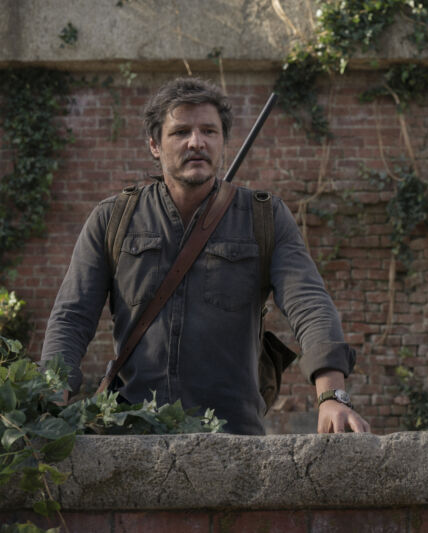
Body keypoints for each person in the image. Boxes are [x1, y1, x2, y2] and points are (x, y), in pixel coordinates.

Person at [41, 77, 369, 435]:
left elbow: (309, 302)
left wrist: (332, 395)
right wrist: (49, 399)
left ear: (222, 141)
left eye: (209, 131)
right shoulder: (113, 219)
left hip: (231, 435)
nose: (197, 142)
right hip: (131, 431)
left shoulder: (265, 217)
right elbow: (72, 317)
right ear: (154, 144)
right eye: (181, 131)